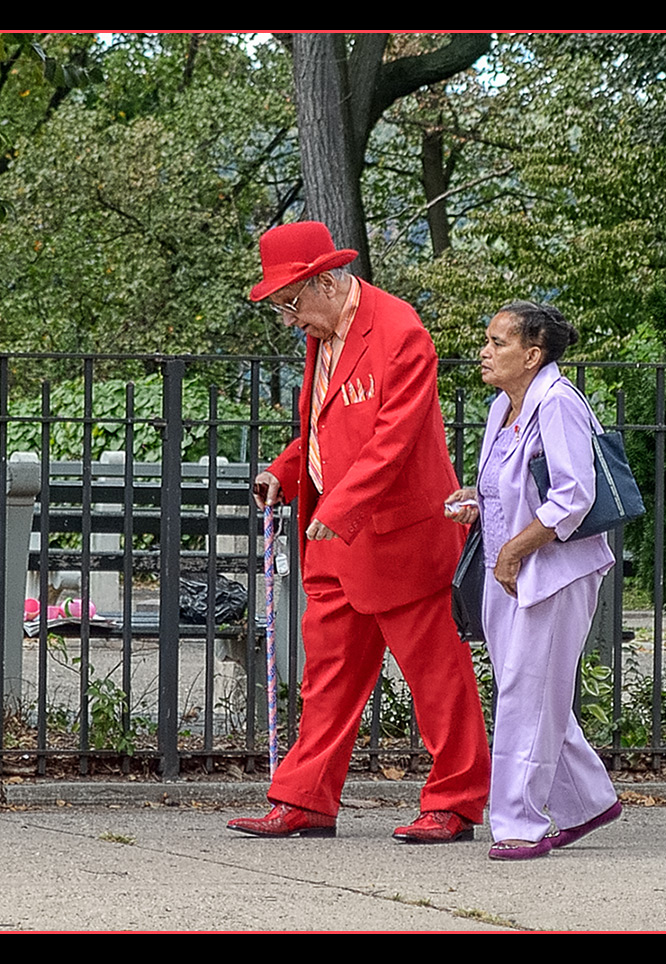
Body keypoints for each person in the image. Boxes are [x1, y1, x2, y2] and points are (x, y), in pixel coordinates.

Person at [226, 221, 490, 843]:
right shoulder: (327, 333)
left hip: (396, 538)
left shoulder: (400, 331)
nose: (289, 320)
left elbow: (392, 441)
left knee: (437, 679)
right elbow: (326, 430)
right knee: (328, 678)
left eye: (290, 303)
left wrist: (337, 510)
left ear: (324, 280)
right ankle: (305, 798)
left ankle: (455, 803)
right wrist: (283, 471)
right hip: (335, 541)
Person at [445, 301, 622, 860]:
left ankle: (518, 823)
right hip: (511, 568)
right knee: (532, 691)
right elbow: (514, 484)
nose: (485, 351)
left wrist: (512, 553)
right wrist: (477, 502)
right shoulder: (505, 405)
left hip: (551, 572)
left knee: (527, 695)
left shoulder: (558, 402)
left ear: (533, 353)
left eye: (498, 342)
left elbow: (574, 495)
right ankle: (589, 802)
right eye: (488, 340)